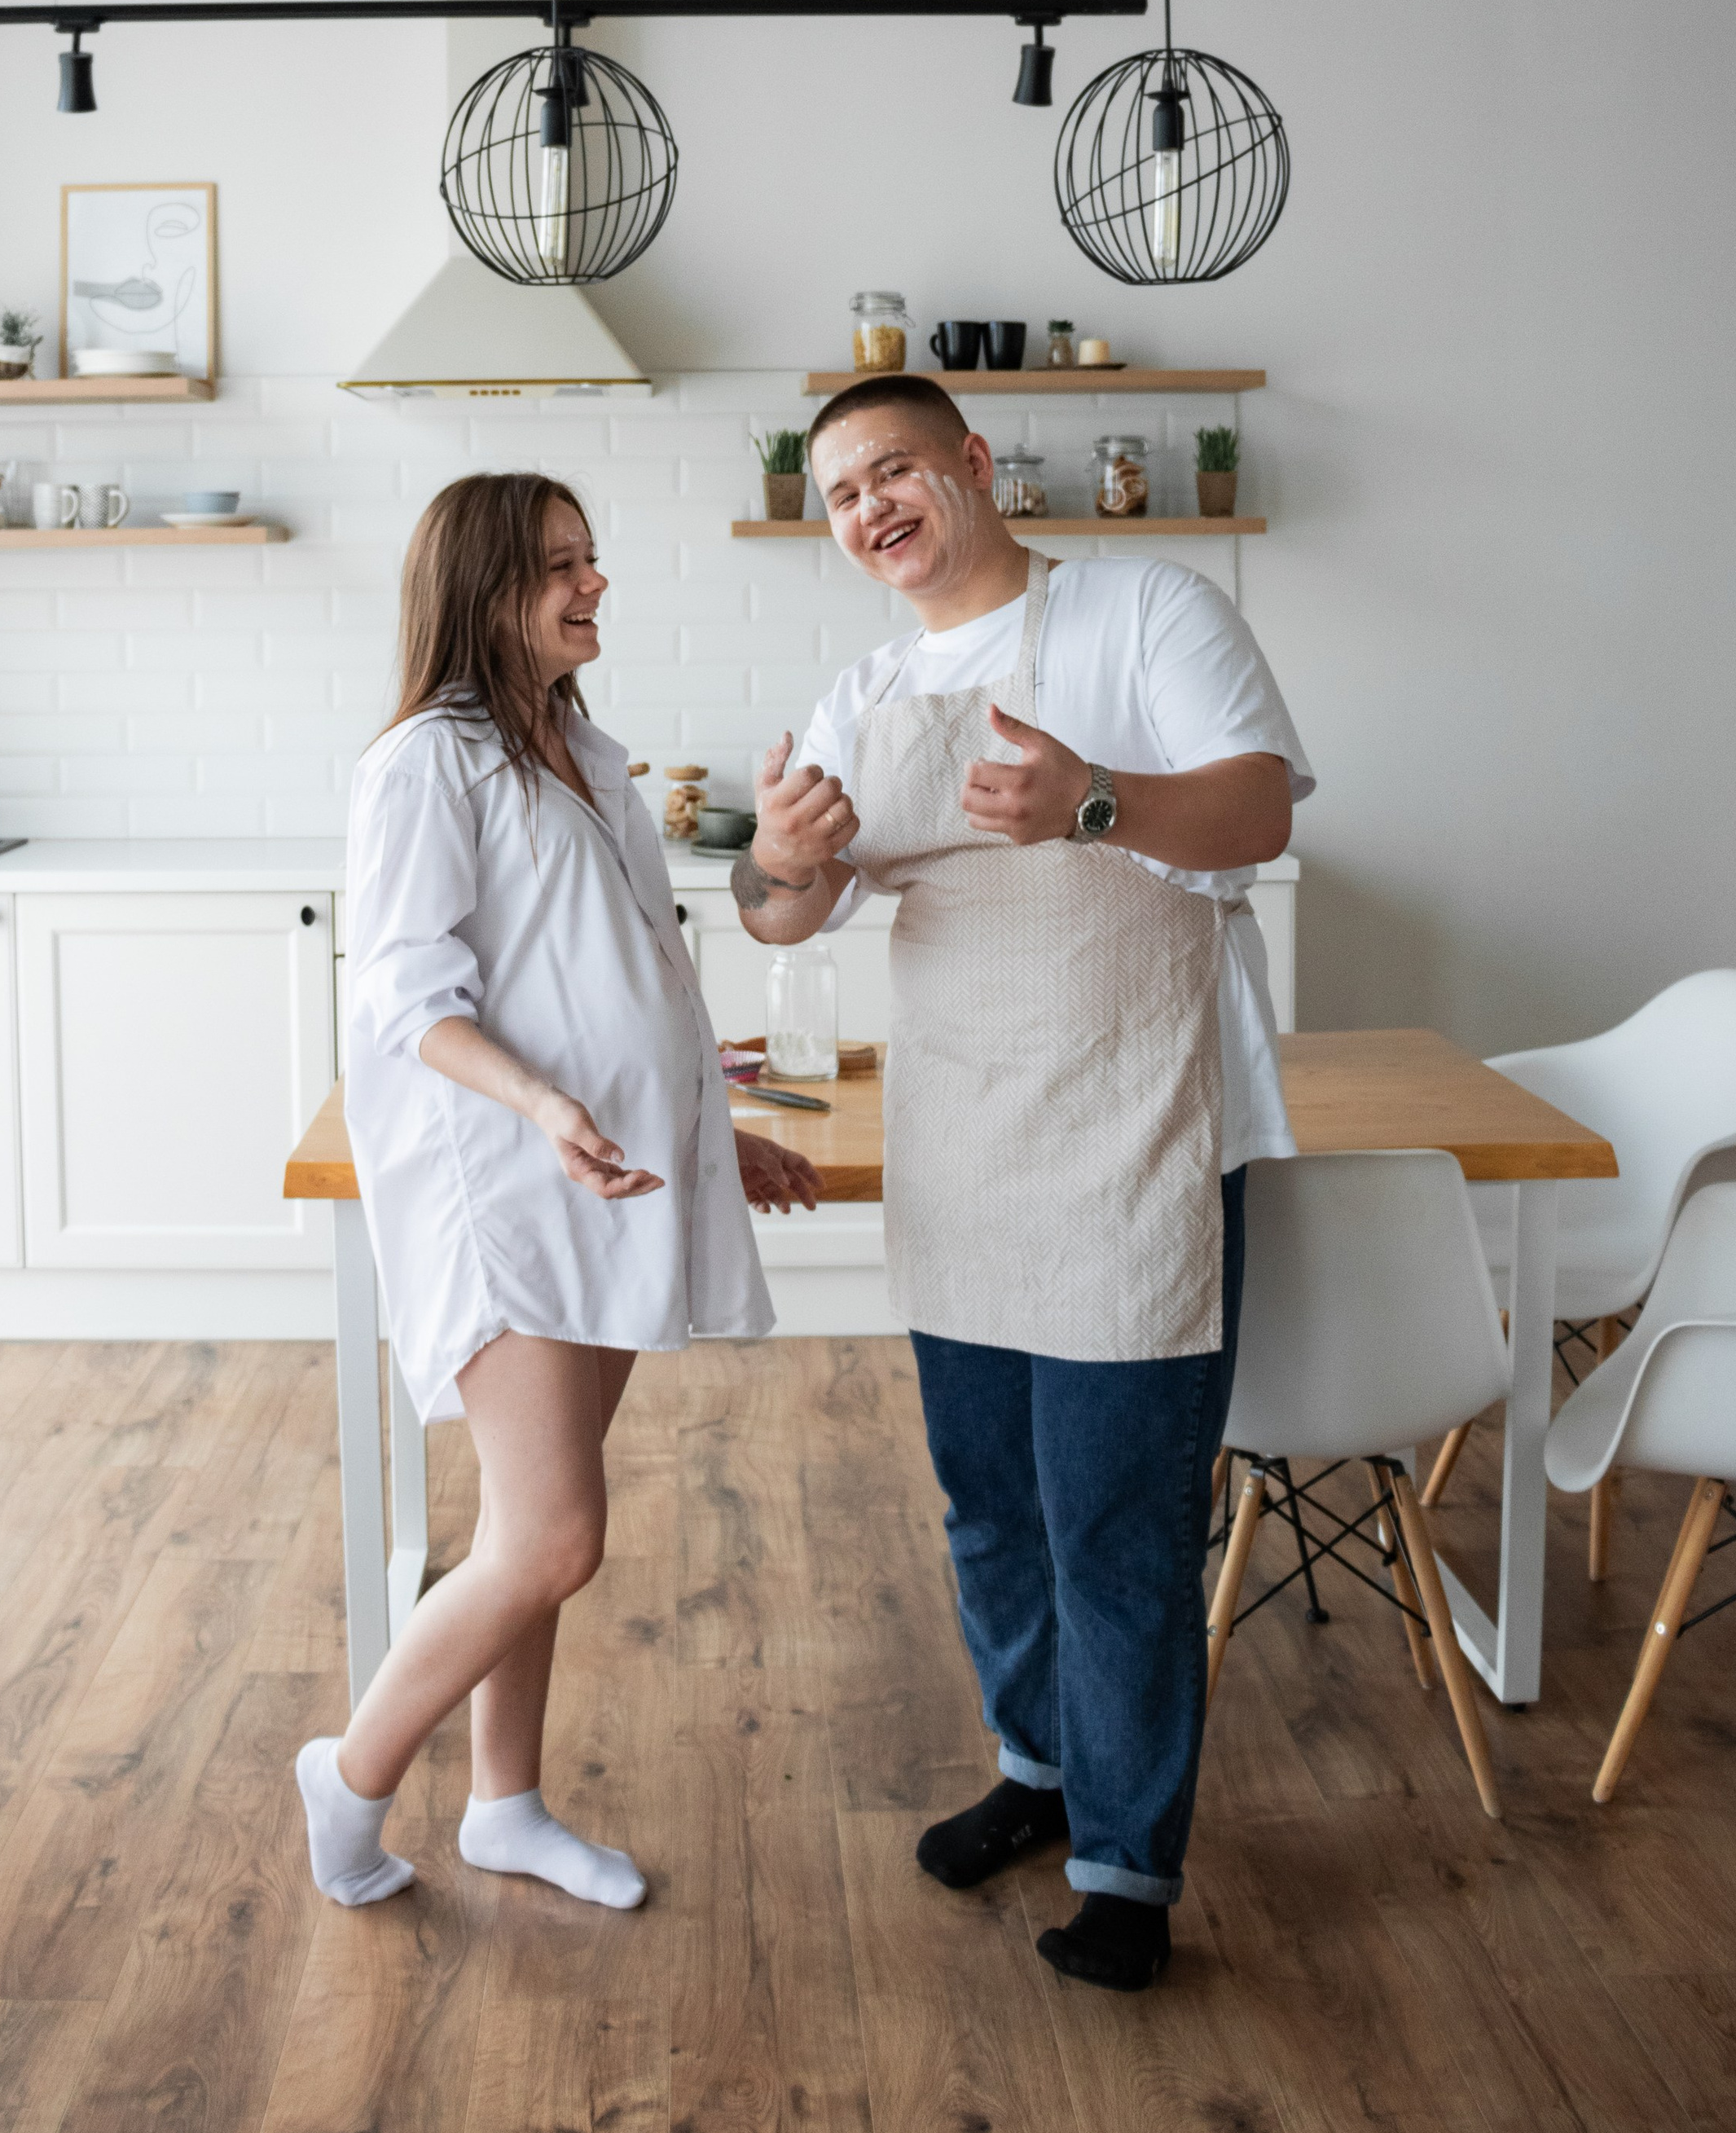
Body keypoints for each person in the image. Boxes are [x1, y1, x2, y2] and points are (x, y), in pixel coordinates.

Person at [734, 378, 1313, 1990]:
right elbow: (780, 915)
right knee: (990, 1508)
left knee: (1116, 1529)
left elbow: (1259, 806)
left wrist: (1091, 803)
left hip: (1138, 1140)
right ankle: (1035, 1773)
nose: (869, 508)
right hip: (964, 1151)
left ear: (972, 467)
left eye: (895, 468)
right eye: (840, 493)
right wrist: (776, 853)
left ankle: (1126, 1867)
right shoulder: (863, 691)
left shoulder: (1141, 611)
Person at [298, 471, 820, 1915]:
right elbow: (409, 996)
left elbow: (637, 969)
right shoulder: (424, 764)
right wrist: (544, 1105)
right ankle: (348, 1781)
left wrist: (723, 1129)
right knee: (556, 1538)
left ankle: (505, 1809)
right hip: (508, 1187)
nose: (593, 588)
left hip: (606, 1179)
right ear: (482, 594)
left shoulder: (585, 748)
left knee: (526, 1535)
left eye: (593, 560)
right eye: (558, 569)